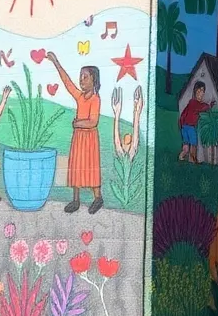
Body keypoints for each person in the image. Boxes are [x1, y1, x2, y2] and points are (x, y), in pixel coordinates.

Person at [45, 52, 104, 214]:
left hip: (89, 138)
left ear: (94, 81)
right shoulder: (80, 97)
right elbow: (67, 82)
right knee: (76, 166)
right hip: (79, 138)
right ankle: (75, 200)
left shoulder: (95, 99)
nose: (81, 80)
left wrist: (77, 123)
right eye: (81, 76)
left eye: (85, 77)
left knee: (91, 167)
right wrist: (56, 62)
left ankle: (97, 197)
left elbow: (93, 121)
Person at [177, 82, 213, 164]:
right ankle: (193, 160)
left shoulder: (191, 102)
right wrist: (209, 106)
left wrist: (181, 125)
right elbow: (201, 107)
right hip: (189, 127)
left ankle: (181, 157)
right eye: (200, 91)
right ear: (196, 91)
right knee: (193, 144)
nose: (202, 93)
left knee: (186, 147)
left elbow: (183, 114)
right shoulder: (194, 103)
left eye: (203, 91)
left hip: (184, 127)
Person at [111, 85, 144, 160]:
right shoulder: (123, 154)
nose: (128, 135)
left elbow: (134, 142)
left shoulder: (130, 154)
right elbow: (117, 143)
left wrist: (137, 111)